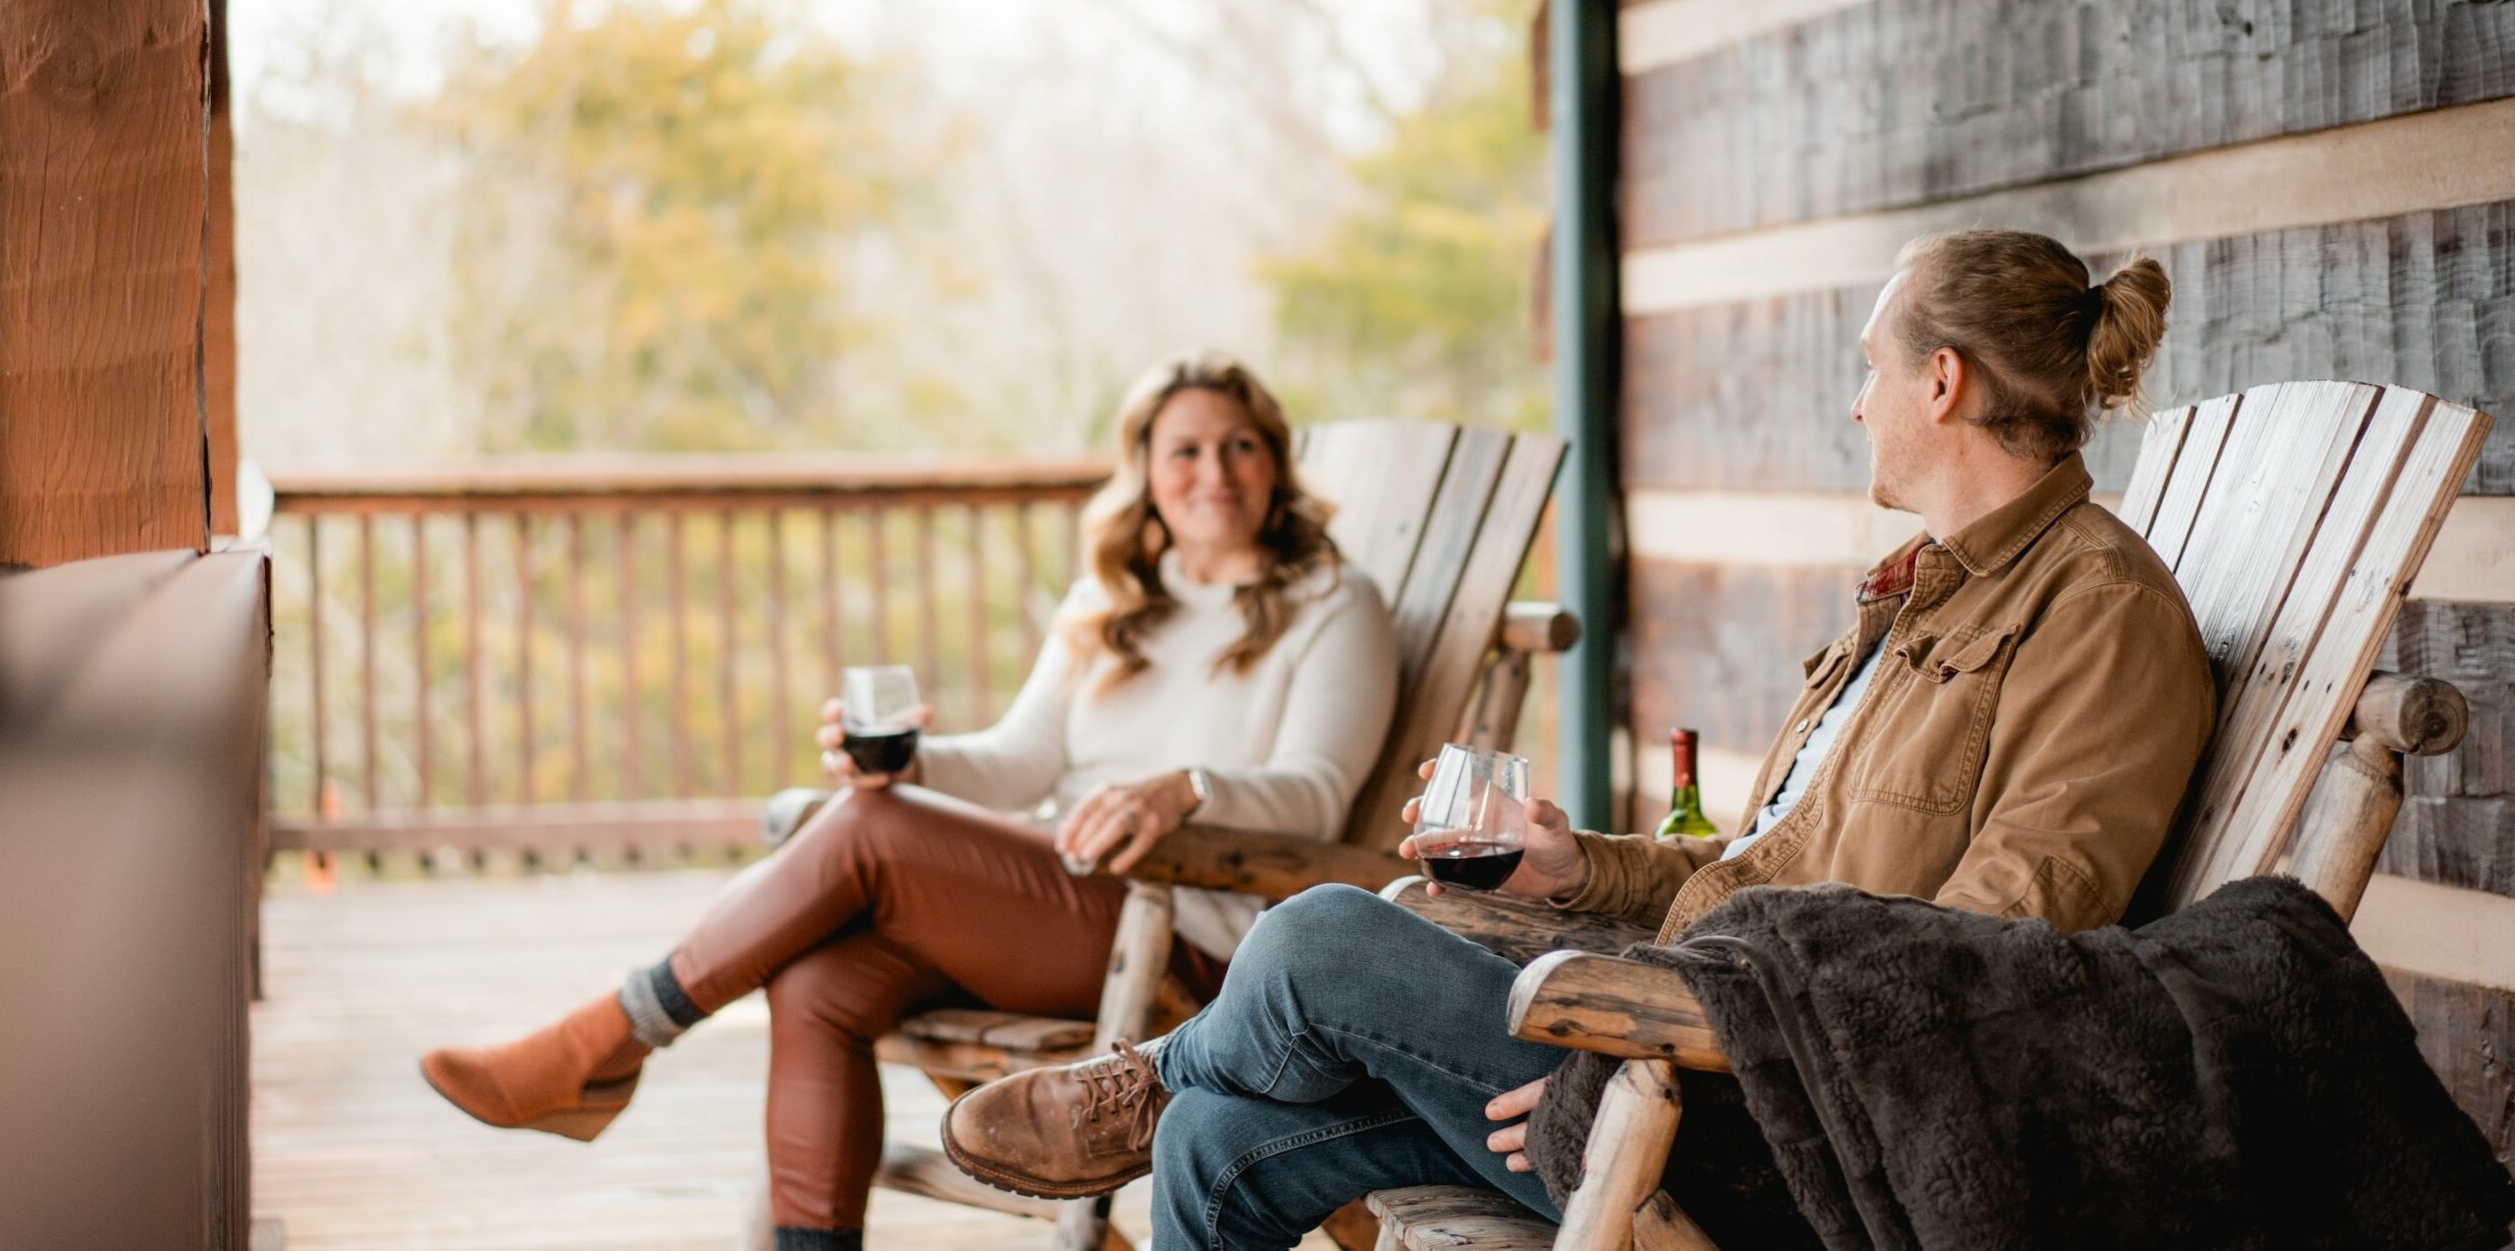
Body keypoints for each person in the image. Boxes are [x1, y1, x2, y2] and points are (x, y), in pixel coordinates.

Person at [941, 230, 2218, 1250]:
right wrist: (1578, 875)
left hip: (1787, 1114)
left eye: (1871, 367)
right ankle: (1173, 1091)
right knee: (1213, 1140)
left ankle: (1152, 1067)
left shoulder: (2097, 612)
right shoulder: (1923, 597)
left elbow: (1999, 954)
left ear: (1941, 383)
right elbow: (1767, 865)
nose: (1855, 400)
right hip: (1668, 1040)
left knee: (1319, 936)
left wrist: (1649, 1028)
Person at [419, 352, 1399, 1251]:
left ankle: (606, 1042)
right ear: (1145, 470)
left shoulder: (1332, 605)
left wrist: (1189, 789)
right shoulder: (1113, 605)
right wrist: (912, 766)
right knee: (822, 980)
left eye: (1240, 446)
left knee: (868, 832)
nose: (1214, 473)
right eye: (1184, 449)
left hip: (1191, 936)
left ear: (1275, 463)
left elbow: (1316, 796)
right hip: (1058, 910)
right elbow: (1019, 762)